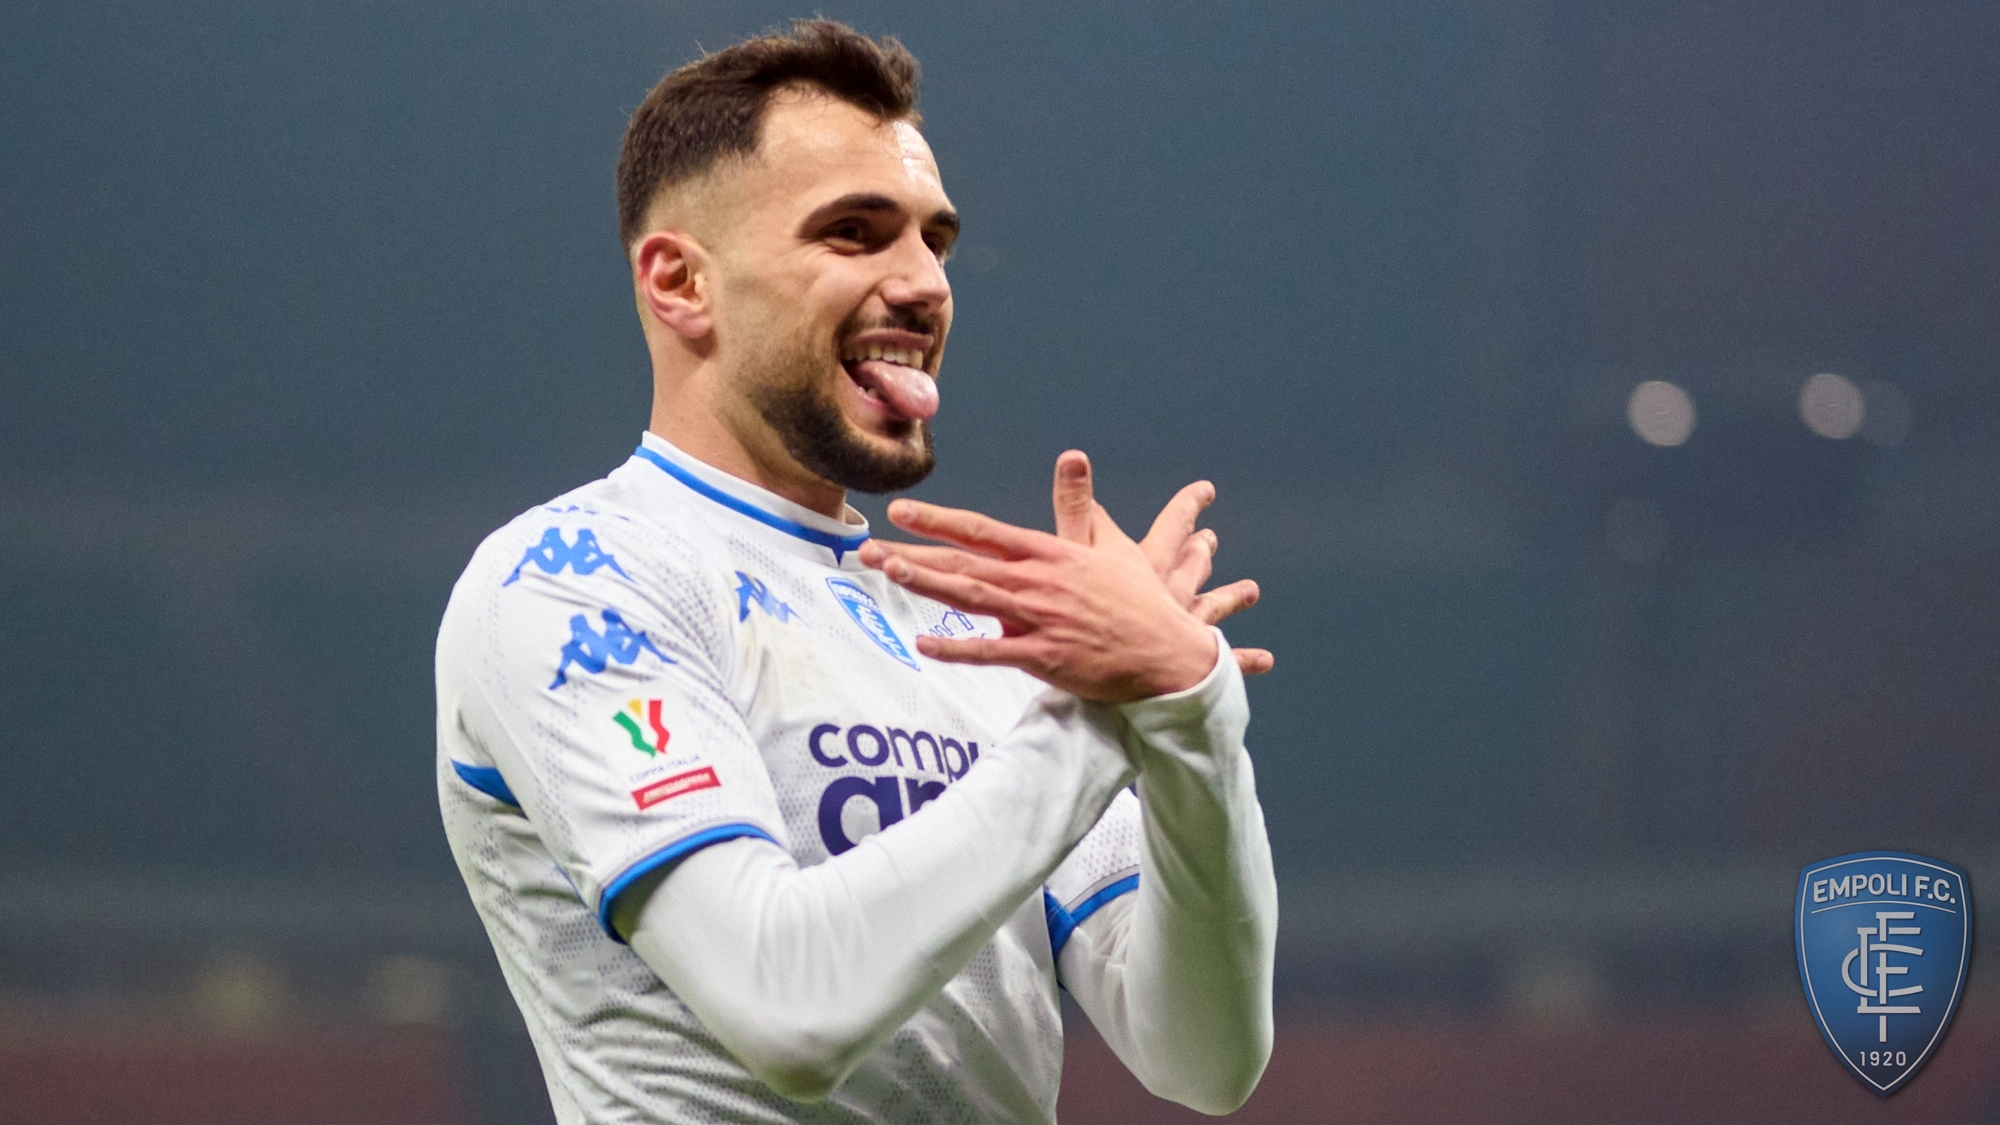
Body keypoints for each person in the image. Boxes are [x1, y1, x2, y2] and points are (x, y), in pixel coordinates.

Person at [436, 20, 1277, 1124]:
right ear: (680, 283)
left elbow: (1202, 1059)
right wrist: (1100, 714)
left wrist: (1190, 712)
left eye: (934, 240)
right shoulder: (572, 581)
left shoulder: (986, 632)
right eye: (854, 233)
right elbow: (787, 1006)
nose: (924, 283)